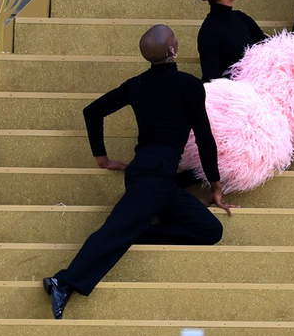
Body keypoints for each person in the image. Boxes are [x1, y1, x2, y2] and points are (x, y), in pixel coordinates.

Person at [42, 24, 234, 318]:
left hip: (159, 177)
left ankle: (137, 230)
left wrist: (102, 159)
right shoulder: (189, 85)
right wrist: (216, 186)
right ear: (173, 50)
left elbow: (92, 112)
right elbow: (204, 137)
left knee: (210, 230)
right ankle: (63, 282)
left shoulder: (137, 85)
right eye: (175, 40)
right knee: (115, 229)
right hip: (151, 175)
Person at [195, 0, 267, 82]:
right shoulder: (209, 31)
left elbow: (266, 46)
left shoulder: (242, 18)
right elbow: (211, 77)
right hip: (231, 95)